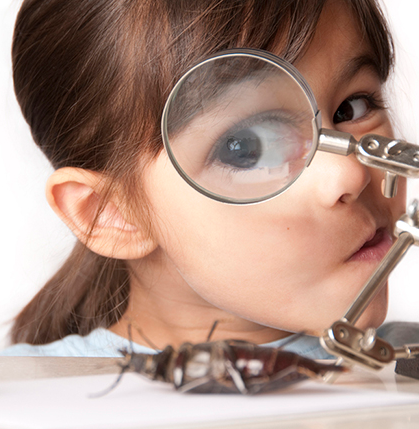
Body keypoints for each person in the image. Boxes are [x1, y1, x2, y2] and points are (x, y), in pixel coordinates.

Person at [0, 0, 408, 358]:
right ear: (110, 214)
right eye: (245, 147)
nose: (349, 173)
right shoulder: (26, 400)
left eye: (352, 108)